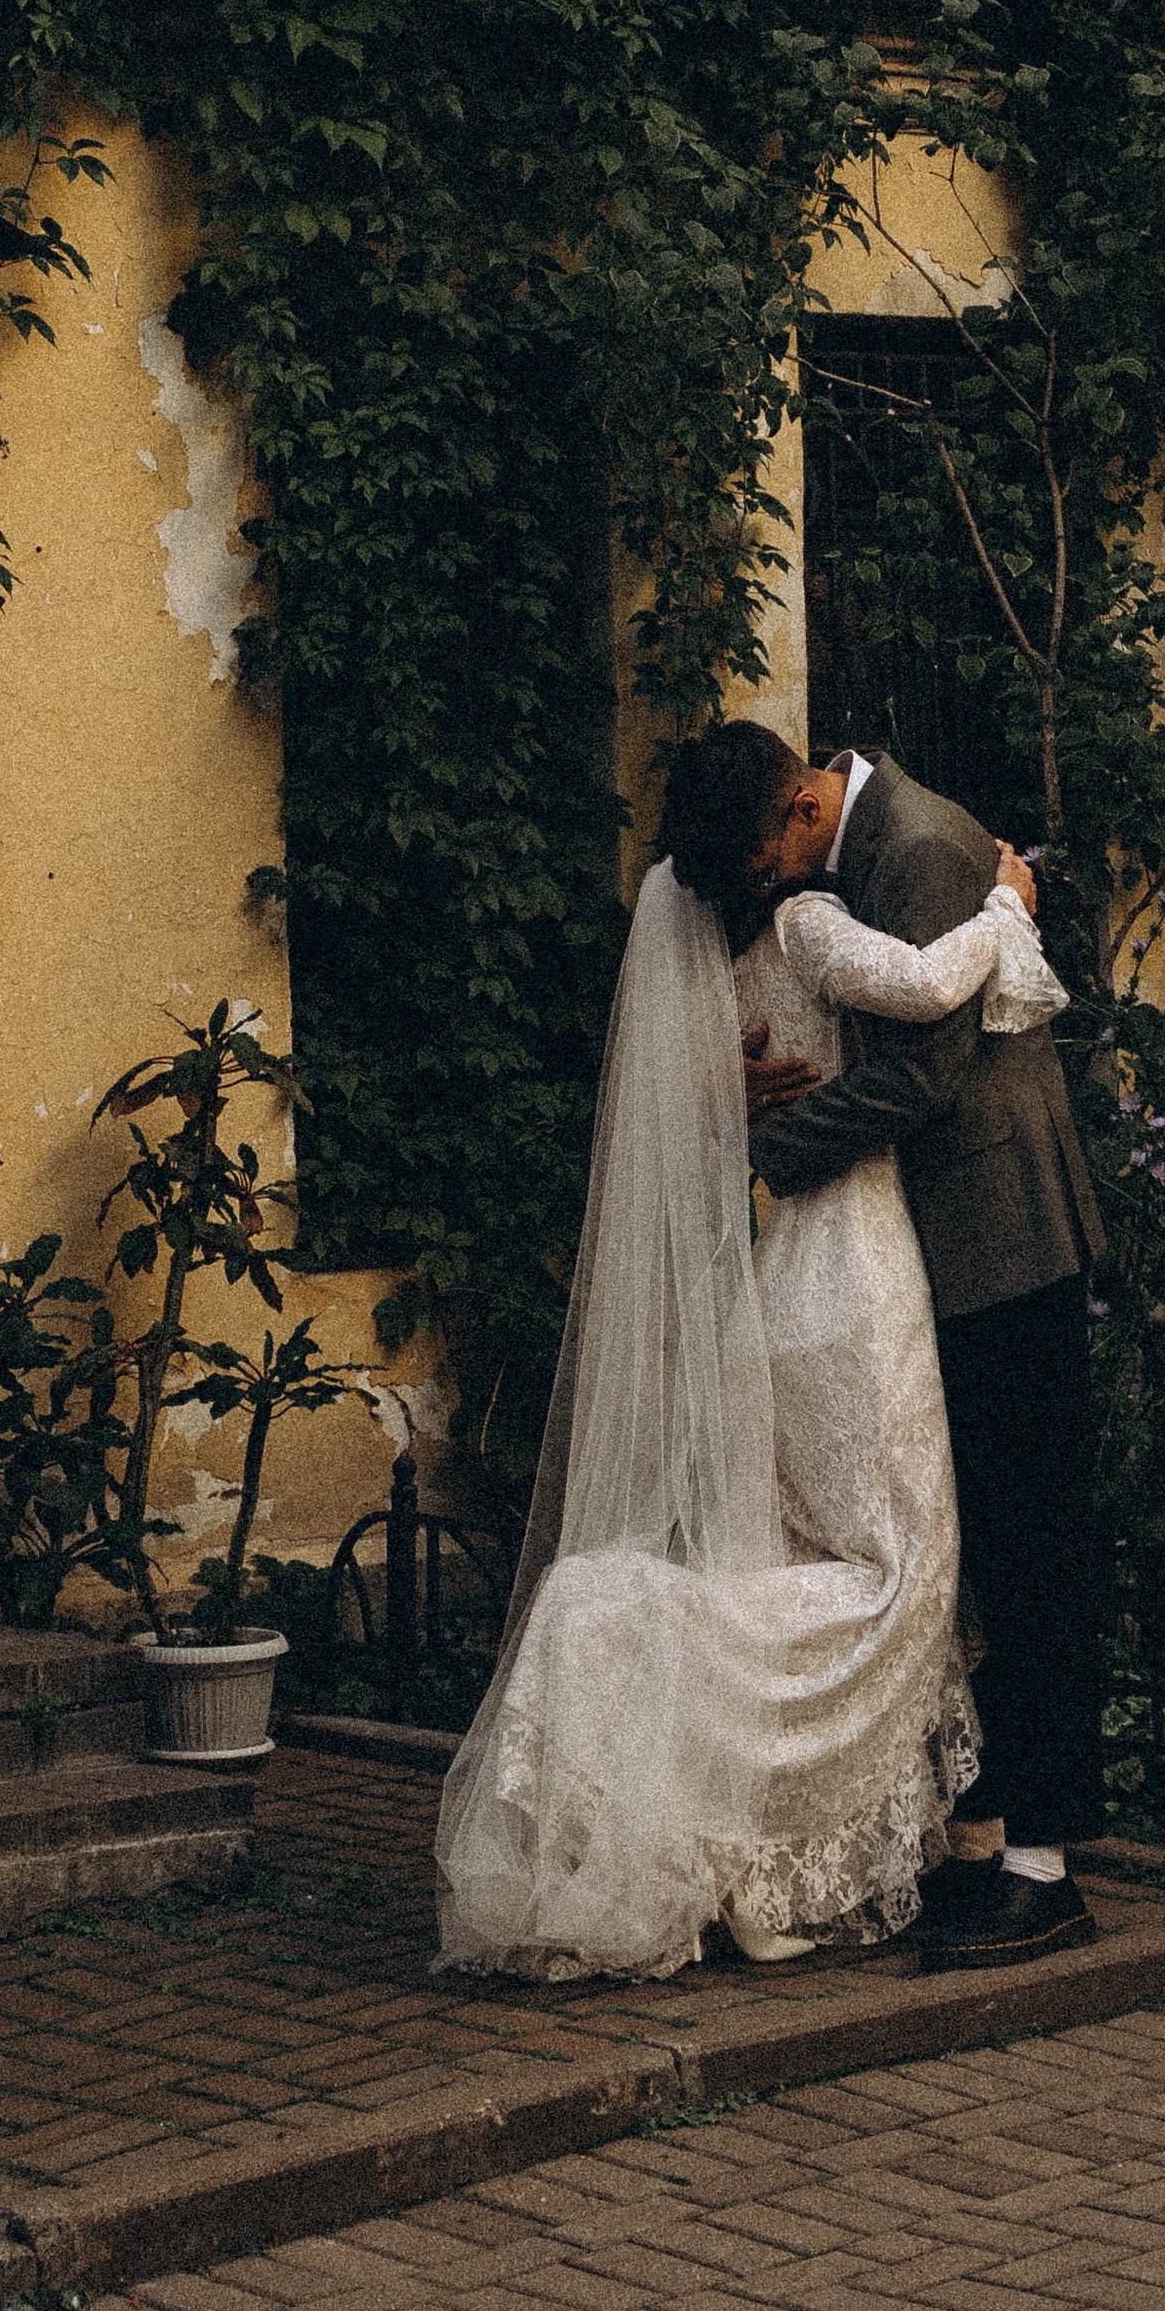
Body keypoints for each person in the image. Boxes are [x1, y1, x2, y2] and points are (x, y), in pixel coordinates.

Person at [432, 814, 1063, 1982]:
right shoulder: (810, 919)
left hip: (779, 1288)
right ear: (766, 844)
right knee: (901, 1578)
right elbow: (925, 992)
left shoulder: (708, 988)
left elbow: (685, 1114)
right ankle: (657, 1670)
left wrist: (730, 1108)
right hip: (862, 1275)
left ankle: (718, 1795)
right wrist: (1010, 902)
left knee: (808, 1547)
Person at [680, 724, 1111, 1975]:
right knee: (954, 1537)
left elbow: (923, 1074)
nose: (762, 890)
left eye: (762, 864)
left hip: (997, 1236)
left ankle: (1048, 1860)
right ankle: (980, 1825)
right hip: (922, 1244)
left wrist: (761, 1150)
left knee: (1031, 1542)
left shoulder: (916, 847)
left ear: (802, 807)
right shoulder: (840, 854)